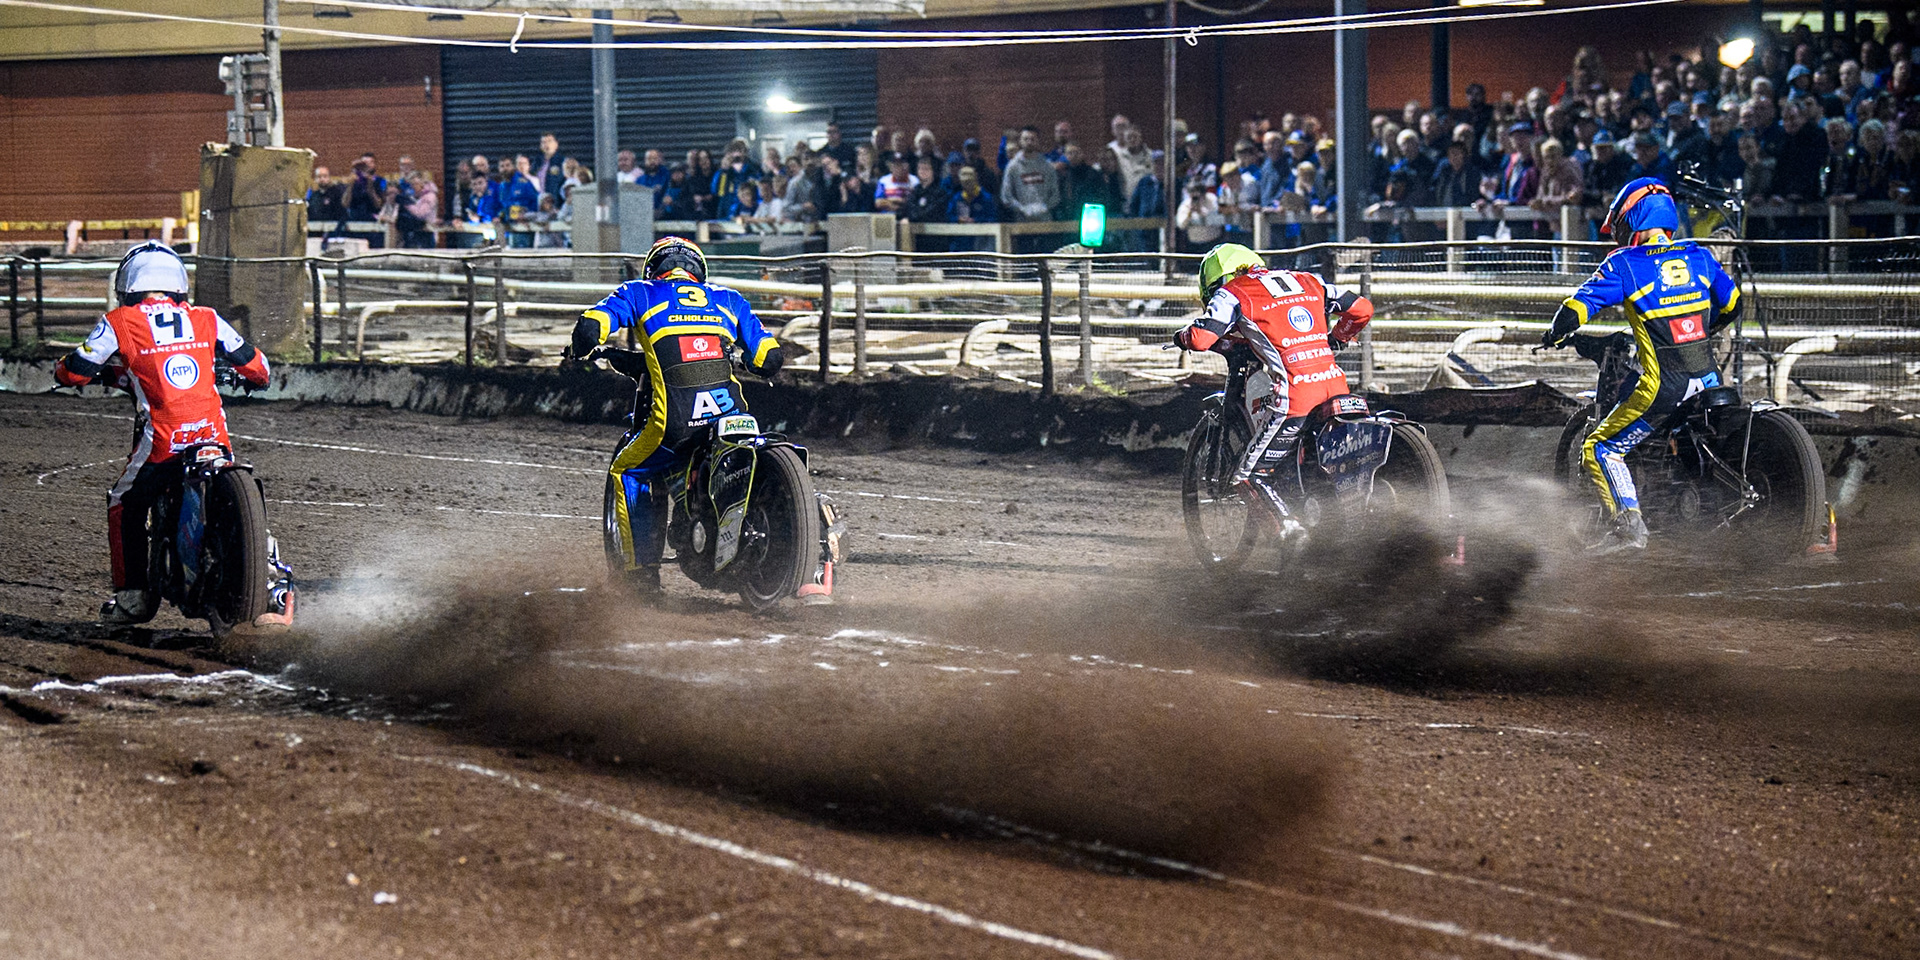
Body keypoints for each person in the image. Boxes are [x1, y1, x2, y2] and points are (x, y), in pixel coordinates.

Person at [53, 242, 278, 625]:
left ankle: (134, 599)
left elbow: (75, 370)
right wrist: (248, 377)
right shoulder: (207, 318)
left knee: (123, 501)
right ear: (178, 285)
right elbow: (259, 368)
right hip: (212, 436)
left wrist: (63, 371)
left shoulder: (120, 321)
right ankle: (270, 578)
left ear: (128, 286)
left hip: (164, 440)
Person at [564, 238, 786, 596]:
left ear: (654, 269)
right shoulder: (729, 300)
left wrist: (579, 347)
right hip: (731, 417)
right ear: (699, 272)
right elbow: (770, 359)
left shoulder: (639, 292)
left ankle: (639, 578)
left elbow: (592, 327)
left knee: (628, 469)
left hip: (677, 423)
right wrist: (741, 359)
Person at [1540, 179, 1743, 552]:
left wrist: (1552, 335)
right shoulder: (1699, 255)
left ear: (1633, 219)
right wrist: (1698, 329)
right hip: (1710, 378)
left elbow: (1573, 311)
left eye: (1619, 225)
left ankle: (1629, 530)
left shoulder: (1625, 264)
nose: (1617, 235)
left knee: (1600, 448)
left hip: (1664, 386)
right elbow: (1733, 306)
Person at [1171, 243, 1374, 532]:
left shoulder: (1232, 293)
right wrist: (1336, 339)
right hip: (1339, 388)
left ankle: (1292, 534)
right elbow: (1362, 309)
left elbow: (1203, 338)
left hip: (1297, 397)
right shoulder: (1308, 280)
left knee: (1247, 478)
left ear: (1216, 282)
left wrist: (1183, 337)